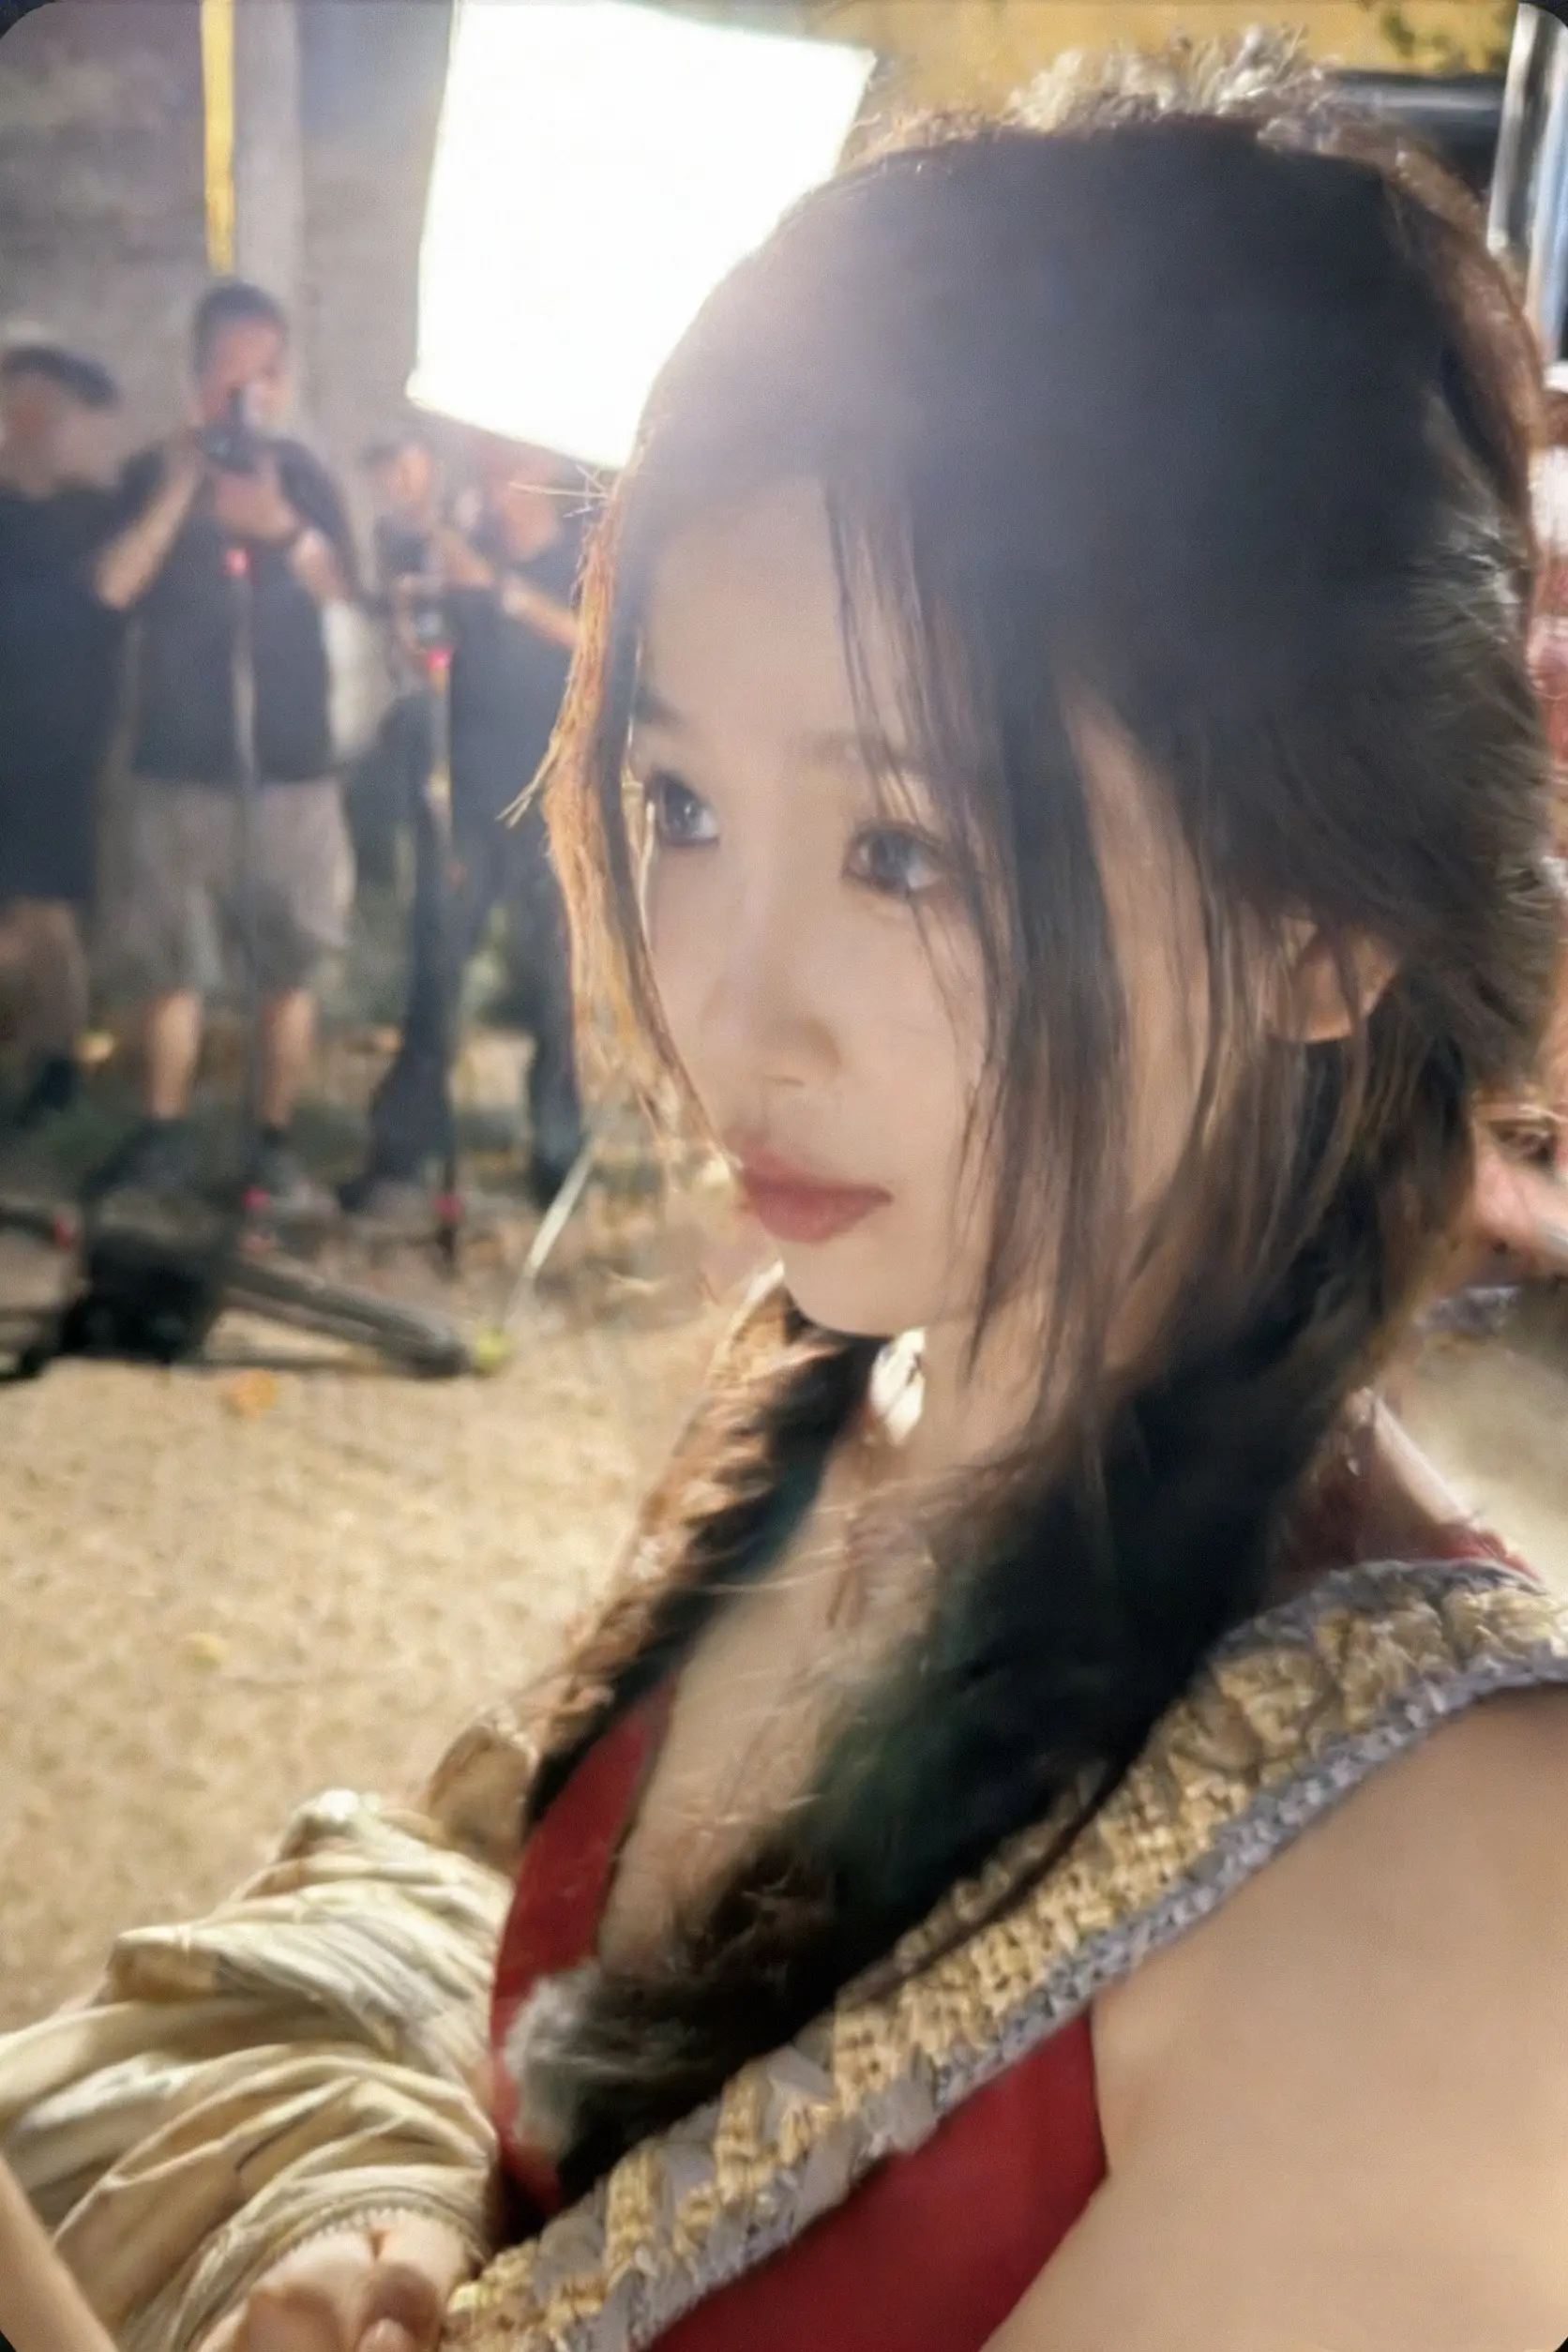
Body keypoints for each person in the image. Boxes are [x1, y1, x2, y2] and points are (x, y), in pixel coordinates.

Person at [8, 44, 1568, 2352]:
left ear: (1323, 920)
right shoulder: (860, 1378)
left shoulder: (1445, 1886)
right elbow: (606, 2129)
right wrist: (438, 2228)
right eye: (680, 804)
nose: (728, 1016)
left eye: (903, 848)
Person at [94, 279, 360, 1219]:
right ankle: (162, 1138)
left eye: (264, 376)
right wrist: (181, 491)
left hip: (292, 768)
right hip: (179, 763)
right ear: (196, 378)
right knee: (167, 962)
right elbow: (111, 587)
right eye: (228, 376)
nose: (247, 396)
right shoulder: (149, 473)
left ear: (283, 383)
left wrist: (278, 526)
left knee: (289, 963)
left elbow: (344, 592)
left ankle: (271, 1143)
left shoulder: (307, 480)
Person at [341, 435, 586, 1221]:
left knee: (558, 990)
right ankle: (401, 1154)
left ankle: (558, 1156)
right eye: (488, 464)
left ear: (545, 470)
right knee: (435, 975)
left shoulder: (585, 551)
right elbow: (424, 653)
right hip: (466, 794)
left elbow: (599, 643)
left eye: (510, 464)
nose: (495, 478)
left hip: (557, 800)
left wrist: (501, 590)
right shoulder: (462, 546)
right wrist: (416, 619)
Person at [0, 343, 194, 1157]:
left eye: (50, 408)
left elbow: (111, 591)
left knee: (43, 915)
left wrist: (181, 474)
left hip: (60, 745)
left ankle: (57, 1062)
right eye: (21, 404)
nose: (34, 421)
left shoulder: (98, 511)